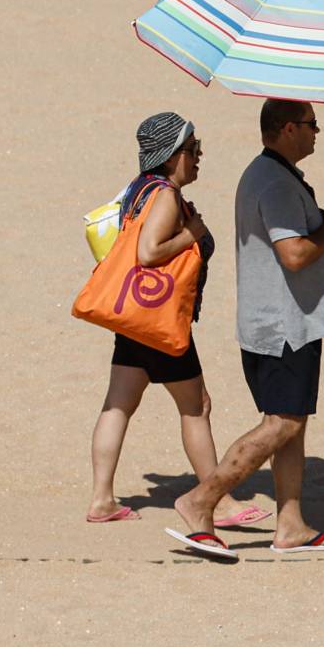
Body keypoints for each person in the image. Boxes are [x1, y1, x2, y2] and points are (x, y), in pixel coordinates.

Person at [165, 99, 324, 559]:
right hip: (282, 324)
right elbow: (291, 254)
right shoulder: (273, 182)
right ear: (288, 128)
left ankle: (289, 525)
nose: (317, 132)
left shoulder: (277, 176)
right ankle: (200, 501)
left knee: (293, 425)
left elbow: (293, 251)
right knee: (281, 423)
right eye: (311, 125)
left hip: (286, 320)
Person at [85, 111, 268, 529]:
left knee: (118, 405)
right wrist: (193, 232)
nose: (198, 156)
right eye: (191, 149)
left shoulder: (139, 190)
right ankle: (217, 503)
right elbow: (149, 252)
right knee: (196, 407)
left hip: (133, 317)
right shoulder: (164, 194)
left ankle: (101, 499)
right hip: (161, 322)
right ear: (170, 155)